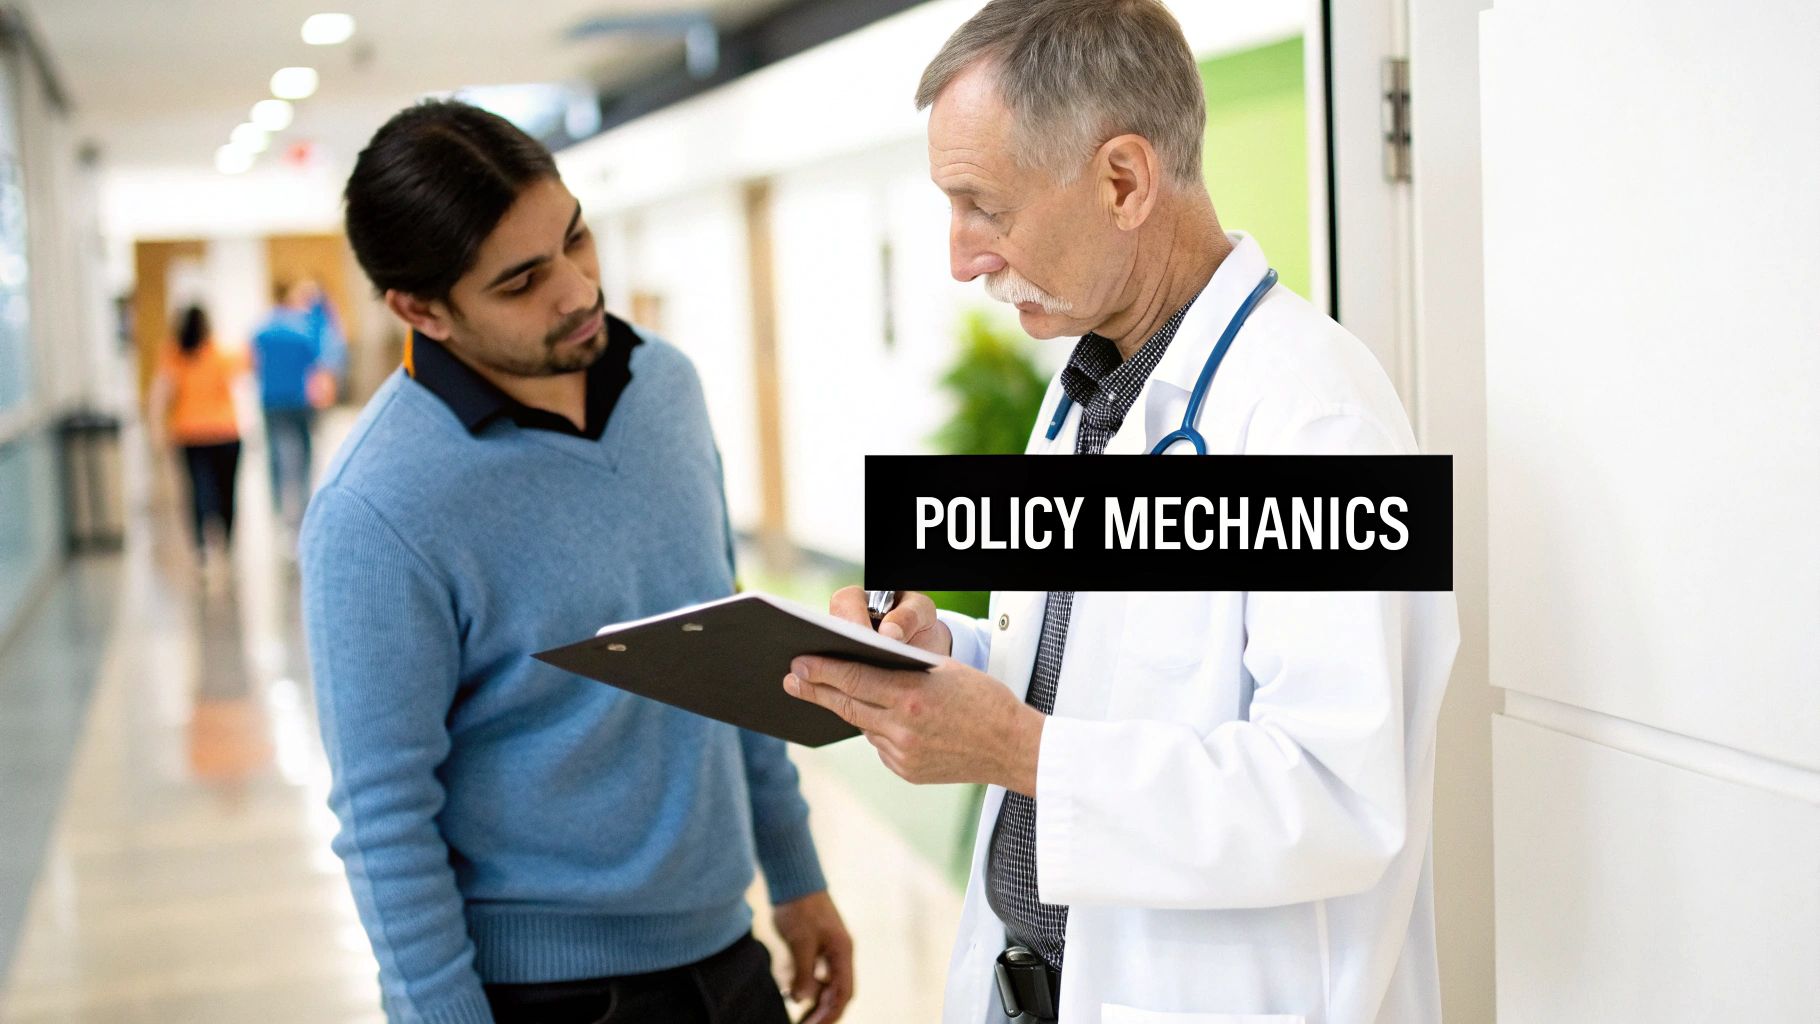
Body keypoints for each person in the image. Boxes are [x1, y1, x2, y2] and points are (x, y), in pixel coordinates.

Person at [782, 3, 1460, 1022]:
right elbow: (1093, 668)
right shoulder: (1089, 391)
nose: (959, 257)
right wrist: (945, 659)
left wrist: (1014, 748)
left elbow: (1336, 797)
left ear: (1123, 181)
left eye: (983, 206)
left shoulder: (1315, 417)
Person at [301, 100, 853, 1024]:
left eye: (576, 239)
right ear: (419, 310)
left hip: (728, 956)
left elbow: (731, 646)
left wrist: (795, 874)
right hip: (544, 995)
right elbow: (385, 816)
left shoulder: (666, 389)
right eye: (521, 282)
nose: (577, 290)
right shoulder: (376, 509)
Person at [151, 305, 246, 571]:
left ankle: (203, 549)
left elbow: (161, 393)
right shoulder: (219, 352)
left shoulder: (173, 354)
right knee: (227, 489)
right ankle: (226, 541)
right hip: (226, 432)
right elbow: (240, 376)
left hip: (190, 434)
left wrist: (157, 430)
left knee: (198, 489)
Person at [252, 279, 325, 538]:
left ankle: (278, 506)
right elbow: (317, 357)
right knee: (304, 451)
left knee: (275, 452)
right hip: (299, 398)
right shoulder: (302, 329)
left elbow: (253, 363)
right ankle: (304, 503)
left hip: (271, 400)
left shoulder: (261, 330)